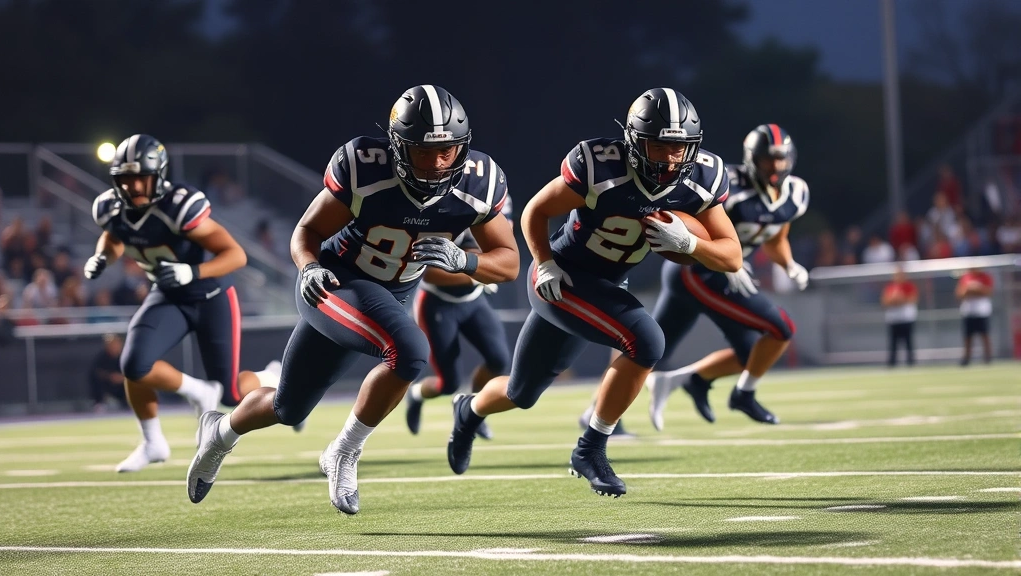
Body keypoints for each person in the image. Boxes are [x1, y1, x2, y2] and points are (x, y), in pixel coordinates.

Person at [187, 85, 519, 515]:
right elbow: (307, 231)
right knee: (409, 352)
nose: (438, 163)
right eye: (424, 152)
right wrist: (308, 267)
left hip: (390, 295)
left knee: (288, 407)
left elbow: (508, 262)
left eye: (447, 151)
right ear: (399, 146)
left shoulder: (478, 182)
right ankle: (344, 451)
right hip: (335, 282)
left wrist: (465, 260)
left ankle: (220, 432)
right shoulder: (365, 167)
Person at [445, 88, 742, 498]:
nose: (671, 159)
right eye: (659, 146)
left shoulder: (701, 178)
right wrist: (544, 261)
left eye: (679, 147)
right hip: (561, 278)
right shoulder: (601, 165)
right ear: (635, 141)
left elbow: (731, 256)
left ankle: (469, 409)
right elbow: (536, 211)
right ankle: (591, 448)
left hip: (606, 286)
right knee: (646, 341)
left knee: (521, 392)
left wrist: (690, 243)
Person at [84, 134, 256, 472]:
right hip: (168, 294)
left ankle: (270, 379)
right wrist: (103, 256)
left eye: (141, 177)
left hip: (211, 295)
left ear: (158, 175)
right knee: (134, 364)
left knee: (232, 394)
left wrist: (194, 271)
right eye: (125, 178)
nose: (133, 186)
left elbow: (236, 255)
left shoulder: (177, 206)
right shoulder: (110, 208)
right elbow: (114, 235)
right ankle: (155, 441)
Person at [645, 124, 810, 430]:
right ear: (752, 159)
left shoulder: (797, 193)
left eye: (781, 159)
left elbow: (776, 238)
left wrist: (789, 265)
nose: (775, 166)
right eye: (768, 159)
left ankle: (687, 381)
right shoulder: (729, 184)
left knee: (748, 354)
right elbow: (696, 224)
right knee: (780, 328)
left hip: (726, 272)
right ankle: (742, 395)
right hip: (699, 269)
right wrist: (728, 260)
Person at [404, 196, 515, 440]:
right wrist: (477, 275)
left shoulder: (498, 201)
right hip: (437, 302)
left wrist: (483, 268)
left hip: (474, 300)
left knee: (498, 359)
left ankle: (473, 409)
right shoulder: (447, 207)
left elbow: (504, 254)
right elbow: (429, 273)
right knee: (449, 383)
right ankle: (416, 393)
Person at [882, 266, 919, 367]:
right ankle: (892, 362)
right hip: (894, 319)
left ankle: (911, 361)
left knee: (908, 341)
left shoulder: (909, 286)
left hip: (906, 318)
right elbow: (885, 301)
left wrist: (899, 299)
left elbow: (913, 299)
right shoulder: (890, 287)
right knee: (893, 342)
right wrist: (894, 300)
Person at [956, 268, 994, 366]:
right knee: (968, 336)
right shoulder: (966, 277)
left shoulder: (985, 277)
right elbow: (960, 293)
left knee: (985, 335)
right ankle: (966, 358)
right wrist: (969, 289)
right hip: (968, 311)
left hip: (982, 312)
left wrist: (977, 289)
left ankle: (988, 357)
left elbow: (988, 292)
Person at [89, 334, 127, 411]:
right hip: (108, 384)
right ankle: (99, 403)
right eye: (111, 344)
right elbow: (96, 371)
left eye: (116, 343)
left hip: (123, 385)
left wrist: (122, 377)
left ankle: (131, 402)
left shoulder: (126, 356)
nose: (114, 346)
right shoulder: (102, 357)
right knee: (95, 379)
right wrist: (110, 376)